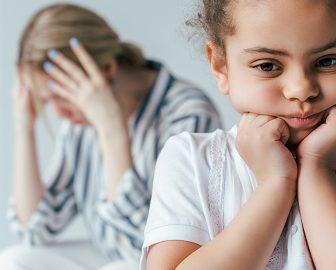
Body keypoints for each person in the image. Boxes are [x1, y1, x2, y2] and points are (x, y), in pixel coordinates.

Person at [141, 0, 336, 269]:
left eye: (328, 61)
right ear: (220, 66)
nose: (301, 89)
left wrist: (318, 169)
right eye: (267, 66)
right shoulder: (191, 160)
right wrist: (275, 182)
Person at [0, 3, 221, 270]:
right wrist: (24, 128)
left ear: (105, 68)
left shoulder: (188, 114)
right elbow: (36, 231)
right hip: (108, 255)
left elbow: (148, 249)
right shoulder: (79, 123)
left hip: (159, 262)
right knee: (14, 259)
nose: (58, 112)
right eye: (48, 101)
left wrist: (112, 130)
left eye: (62, 96)